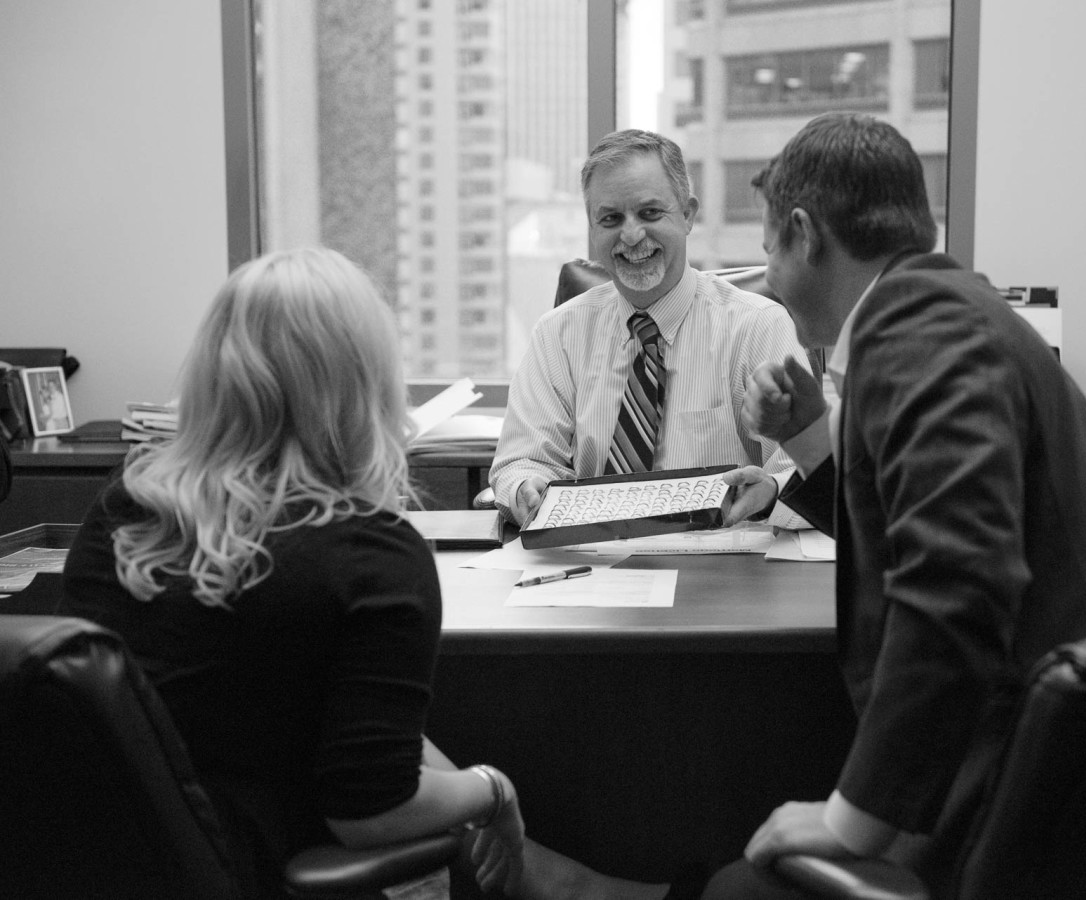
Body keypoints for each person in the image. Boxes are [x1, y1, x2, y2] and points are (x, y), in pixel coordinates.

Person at [60, 248, 668, 900]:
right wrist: (494, 789)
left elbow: (336, 721)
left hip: (102, 862)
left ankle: (563, 884)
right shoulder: (369, 557)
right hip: (256, 862)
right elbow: (368, 810)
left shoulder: (125, 509)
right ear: (362, 381)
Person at [704, 114, 1086, 898]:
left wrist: (850, 822)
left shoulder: (920, 330)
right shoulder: (939, 312)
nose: (768, 280)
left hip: (1066, 773)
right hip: (1072, 745)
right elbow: (905, 526)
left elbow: (958, 583)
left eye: (768, 253)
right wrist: (810, 440)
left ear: (803, 233)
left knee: (740, 888)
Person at [489, 128, 810, 526]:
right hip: (591, 568)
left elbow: (804, 475)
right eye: (610, 218)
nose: (631, 235)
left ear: (688, 214)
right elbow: (521, 461)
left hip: (718, 565)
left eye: (649, 213)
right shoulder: (558, 334)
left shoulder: (758, 326)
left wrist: (772, 491)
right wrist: (526, 487)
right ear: (592, 228)